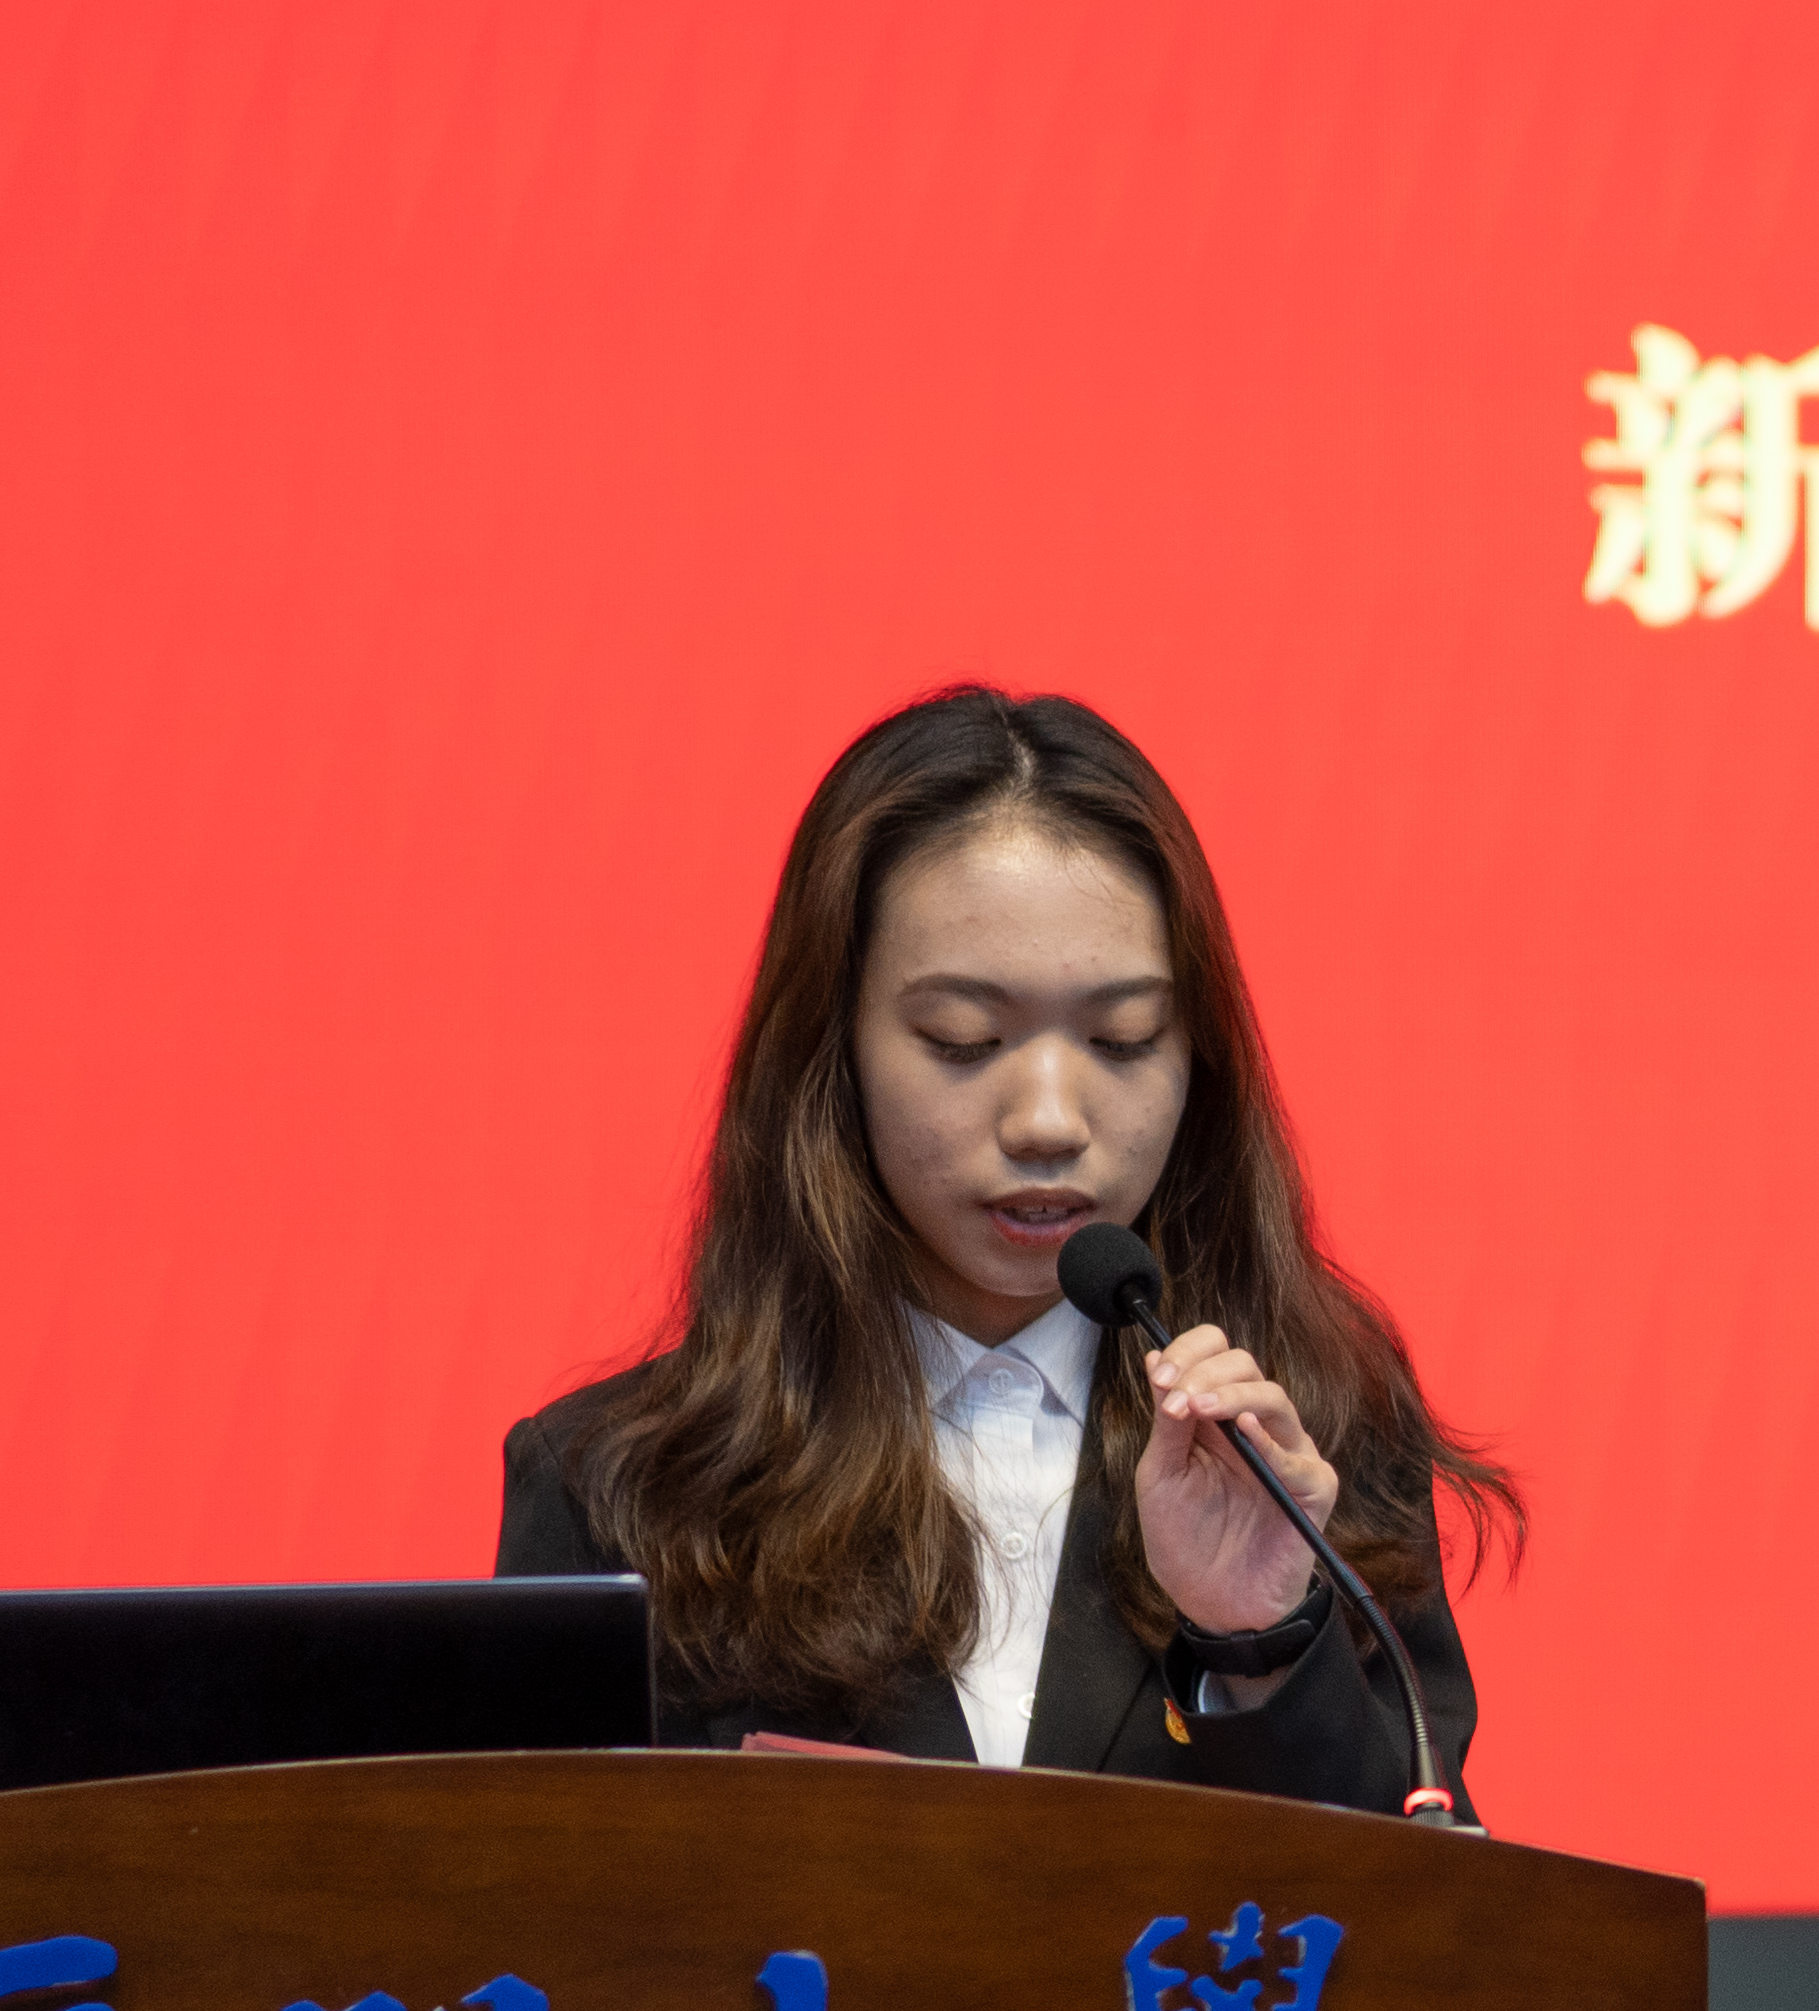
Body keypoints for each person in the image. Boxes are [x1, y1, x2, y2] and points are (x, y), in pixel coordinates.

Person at [497, 684, 1509, 1814]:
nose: (1048, 1122)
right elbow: (543, 1903)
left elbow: (1432, 1905)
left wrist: (1263, 1641)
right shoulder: (617, 1488)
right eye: (964, 1040)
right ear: (832, 1051)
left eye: (1122, 1040)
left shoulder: (1312, 1441)